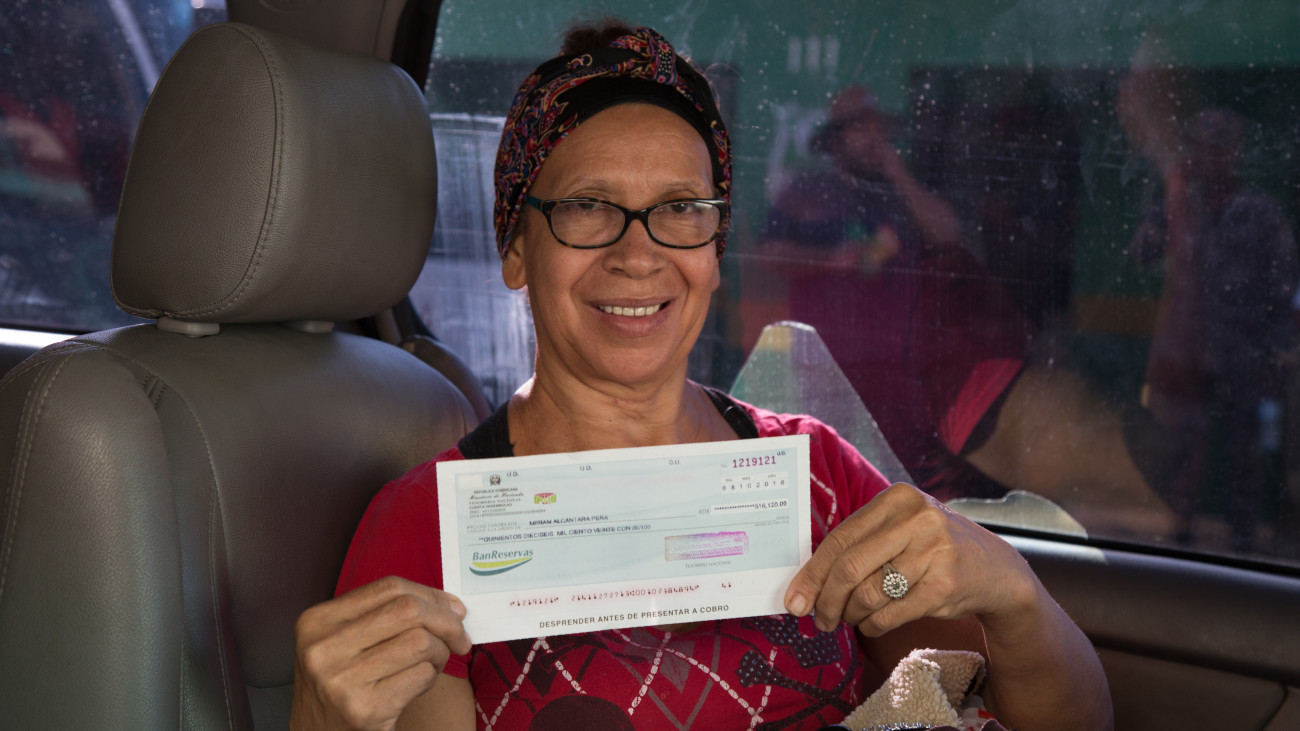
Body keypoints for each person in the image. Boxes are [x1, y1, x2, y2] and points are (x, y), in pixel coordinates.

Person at [289, 22, 1113, 731]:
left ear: (715, 252)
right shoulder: (429, 527)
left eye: (681, 208)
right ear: (516, 249)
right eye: (588, 205)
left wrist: (1014, 593)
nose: (638, 251)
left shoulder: (815, 473)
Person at [759, 86, 1175, 537]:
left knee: (909, 487)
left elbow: (948, 233)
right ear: (835, 140)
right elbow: (768, 256)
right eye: (860, 129)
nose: (873, 138)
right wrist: (834, 260)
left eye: (879, 128)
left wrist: (897, 172)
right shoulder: (806, 192)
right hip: (835, 365)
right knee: (837, 476)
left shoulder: (901, 190)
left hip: (905, 371)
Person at [1120, 72, 1298, 550]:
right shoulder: (1180, 204)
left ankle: (1242, 545)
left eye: (1223, 147)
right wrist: (1171, 194)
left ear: (1236, 151)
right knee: (1182, 448)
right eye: (1205, 147)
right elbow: (1140, 255)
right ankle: (1179, 536)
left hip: (1245, 354)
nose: (1215, 156)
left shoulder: (1260, 212)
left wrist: (1276, 355)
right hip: (1188, 352)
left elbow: (1285, 287)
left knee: (1243, 453)